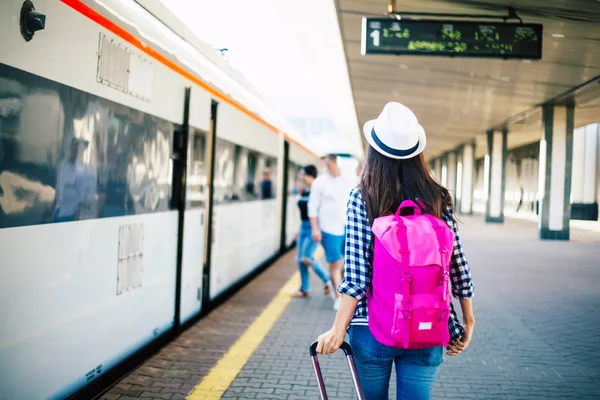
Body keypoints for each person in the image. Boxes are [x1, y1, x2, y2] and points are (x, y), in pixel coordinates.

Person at [316, 102, 475, 399]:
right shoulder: (438, 197)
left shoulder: (362, 196)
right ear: (417, 152)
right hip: (428, 326)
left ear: (374, 151)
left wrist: (338, 329)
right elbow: (458, 266)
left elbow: (356, 276)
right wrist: (467, 320)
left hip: (372, 328)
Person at [308, 154, 355, 311]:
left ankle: (338, 288)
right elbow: (312, 207)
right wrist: (315, 228)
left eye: (332, 160)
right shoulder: (319, 182)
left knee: (345, 264)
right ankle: (338, 297)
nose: (330, 163)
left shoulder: (348, 180)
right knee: (335, 263)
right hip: (329, 228)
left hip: (347, 226)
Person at [291, 165, 333, 298]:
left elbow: (320, 211)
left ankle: (329, 280)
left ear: (310, 175)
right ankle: (304, 289)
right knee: (300, 259)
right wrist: (298, 230)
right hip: (303, 227)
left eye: (303, 174)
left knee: (306, 257)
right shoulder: (304, 190)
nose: (301, 177)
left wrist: (317, 228)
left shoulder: (317, 190)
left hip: (313, 227)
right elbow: (304, 212)